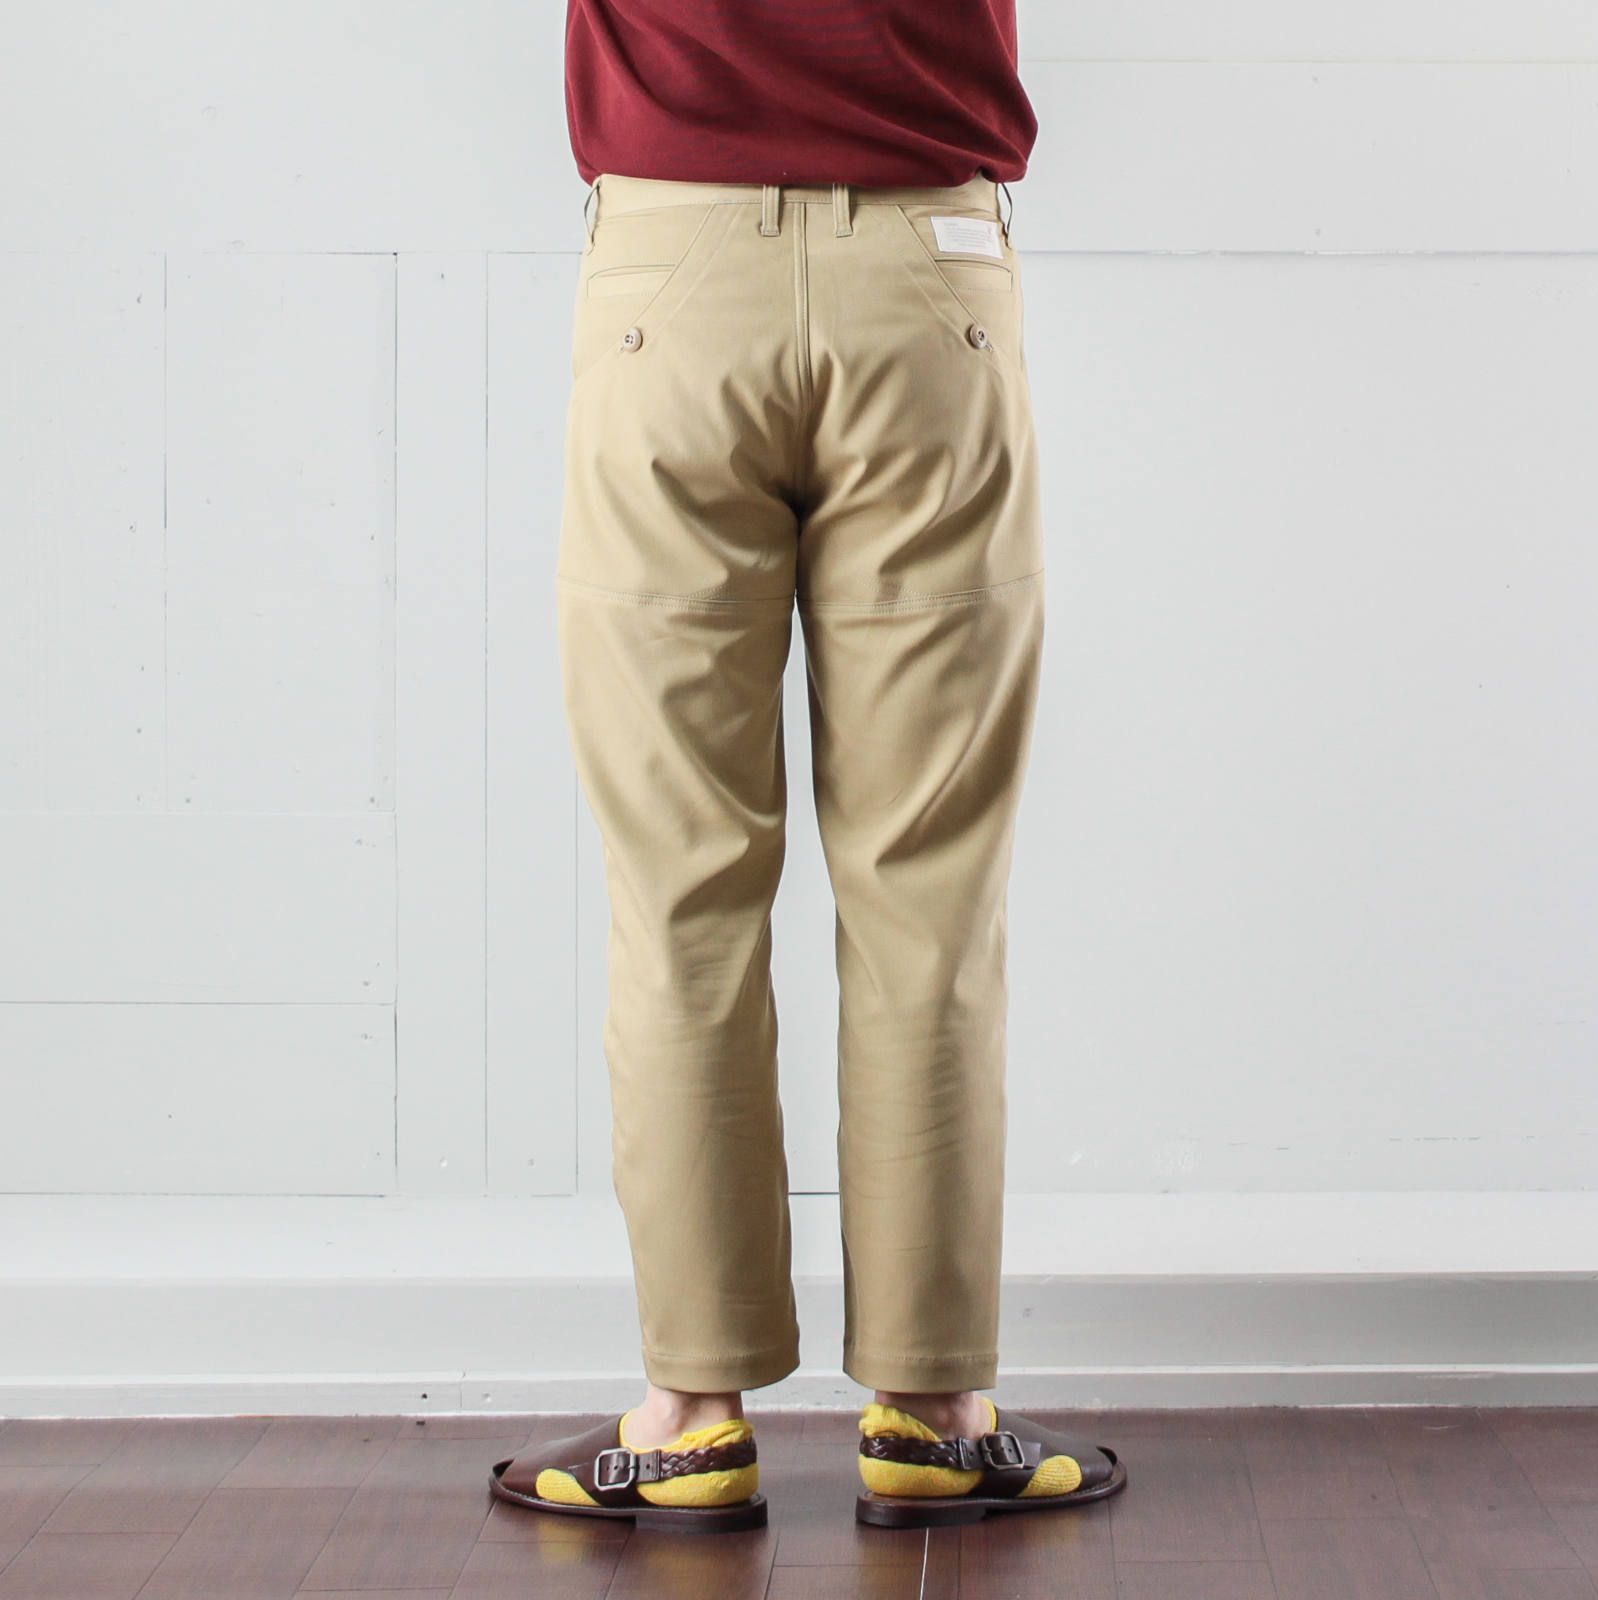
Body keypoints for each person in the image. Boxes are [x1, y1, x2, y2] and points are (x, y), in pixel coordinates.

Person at [489, 0, 1128, 1532]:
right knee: (928, 898)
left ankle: (689, 1420)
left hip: (669, 280)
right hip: (929, 273)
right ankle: (934, 1413)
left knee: (680, 892)